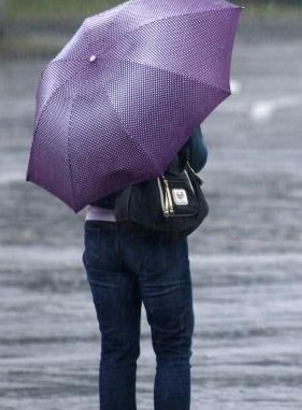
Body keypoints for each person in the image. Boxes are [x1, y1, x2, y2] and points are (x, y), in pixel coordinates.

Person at [82, 126, 208, 410]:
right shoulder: (166, 94)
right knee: (172, 350)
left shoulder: (87, 105)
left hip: (101, 231)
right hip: (155, 228)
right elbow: (197, 157)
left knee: (116, 351)